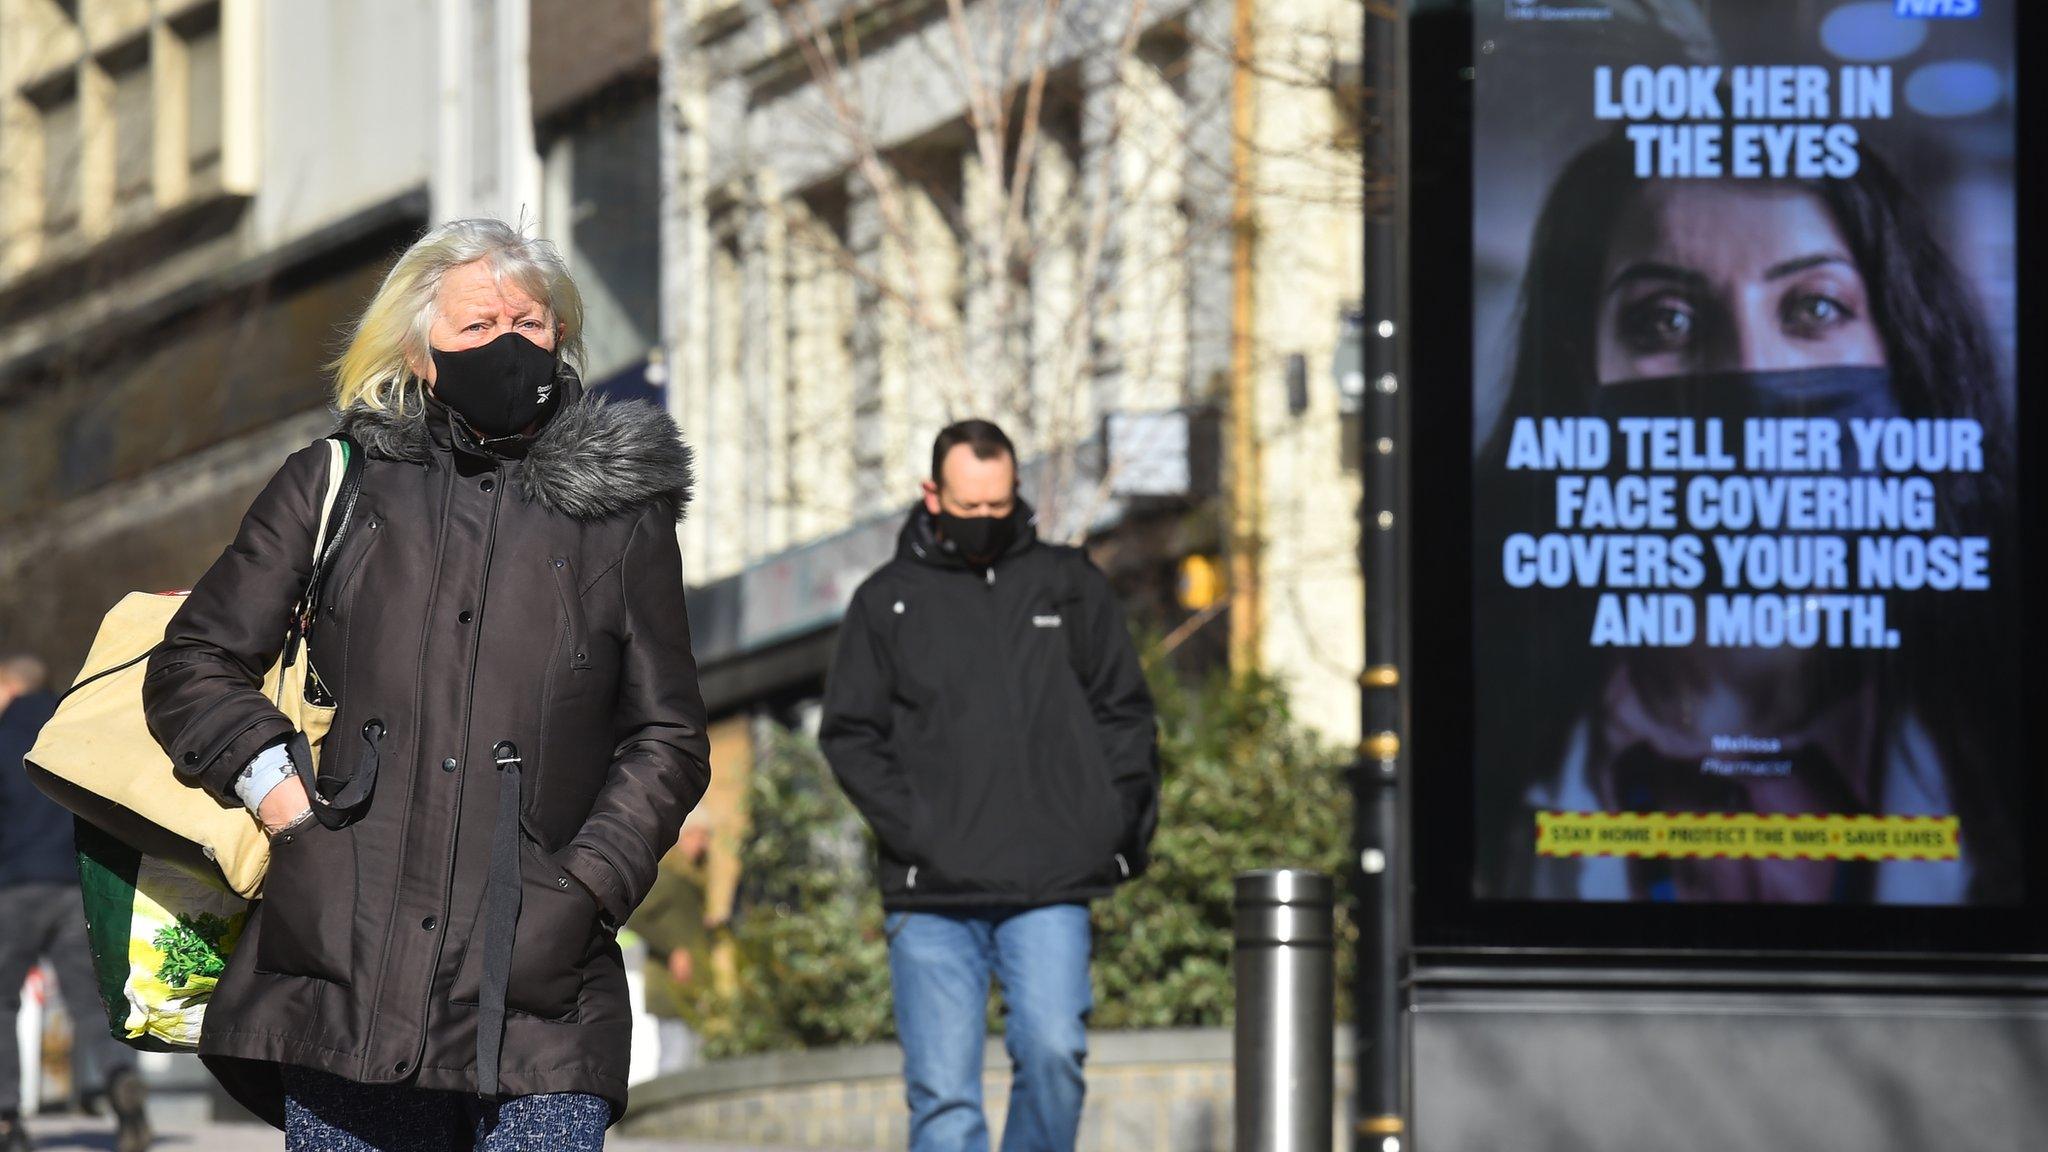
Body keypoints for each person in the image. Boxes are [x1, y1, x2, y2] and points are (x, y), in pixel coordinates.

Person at [140, 218, 712, 1150]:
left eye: (530, 323)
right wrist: (284, 804)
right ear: (416, 347)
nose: (509, 344)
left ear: (562, 338)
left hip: (540, 990)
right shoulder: (337, 482)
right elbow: (193, 663)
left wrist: (586, 884)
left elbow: (669, 737)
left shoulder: (622, 516)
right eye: (478, 325)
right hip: (344, 971)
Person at [1475, 132, 2019, 905]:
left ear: (1905, 348)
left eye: (1815, 308)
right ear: (1575, 375)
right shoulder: (1484, 728)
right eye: (1666, 321)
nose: (1752, 372)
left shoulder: (2008, 722)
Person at [820, 419, 1159, 1152]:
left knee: (1054, 1054)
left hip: (1049, 882)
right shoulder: (888, 601)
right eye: (968, 507)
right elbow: (850, 733)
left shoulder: (1068, 584)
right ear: (932, 493)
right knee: (944, 1100)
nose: (983, 522)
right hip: (931, 891)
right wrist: (920, 830)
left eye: (997, 507)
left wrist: (1110, 818)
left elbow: (1125, 713)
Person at [0, 654, 152, 1152]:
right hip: (75, 887)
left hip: (14, 888)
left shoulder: (3, 735)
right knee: (93, 1004)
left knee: (2, 1004)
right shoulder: (76, 730)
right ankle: (121, 1087)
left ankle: (6, 1119)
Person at [626, 820, 715, 1074]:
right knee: (675, 1058)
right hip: (668, 982)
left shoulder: (693, 876)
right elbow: (635, 917)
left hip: (691, 983)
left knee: (692, 1059)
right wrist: (672, 949)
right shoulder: (667, 874)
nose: (703, 844)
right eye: (699, 835)